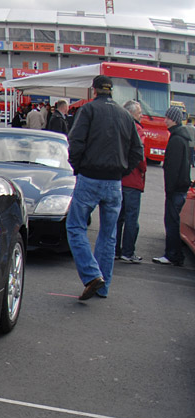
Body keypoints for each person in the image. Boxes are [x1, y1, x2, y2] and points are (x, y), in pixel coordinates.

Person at [64, 74, 144, 300]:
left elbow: (75, 142)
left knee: (75, 226)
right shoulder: (125, 116)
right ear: (112, 91)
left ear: (94, 90)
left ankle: (92, 275)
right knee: (108, 234)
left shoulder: (88, 111)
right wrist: (122, 171)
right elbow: (138, 152)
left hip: (90, 177)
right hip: (114, 182)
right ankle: (103, 286)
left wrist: (77, 167)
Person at [152, 105, 193, 266]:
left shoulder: (176, 139)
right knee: (174, 220)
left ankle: (172, 254)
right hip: (181, 187)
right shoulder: (183, 138)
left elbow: (172, 168)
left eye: (168, 117)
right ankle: (174, 254)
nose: (165, 120)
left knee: (171, 221)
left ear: (174, 120)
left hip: (175, 189)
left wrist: (169, 188)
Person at [116, 100, 146, 263]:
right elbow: (139, 155)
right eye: (139, 112)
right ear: (132, 113)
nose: (141, 115)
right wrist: (142, 170)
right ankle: (128, 251)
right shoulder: (137, 129)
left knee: (117, 217)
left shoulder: (118, 126)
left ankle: (115, 250)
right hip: (133, 179)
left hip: (118, 178)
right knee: (131, 218)